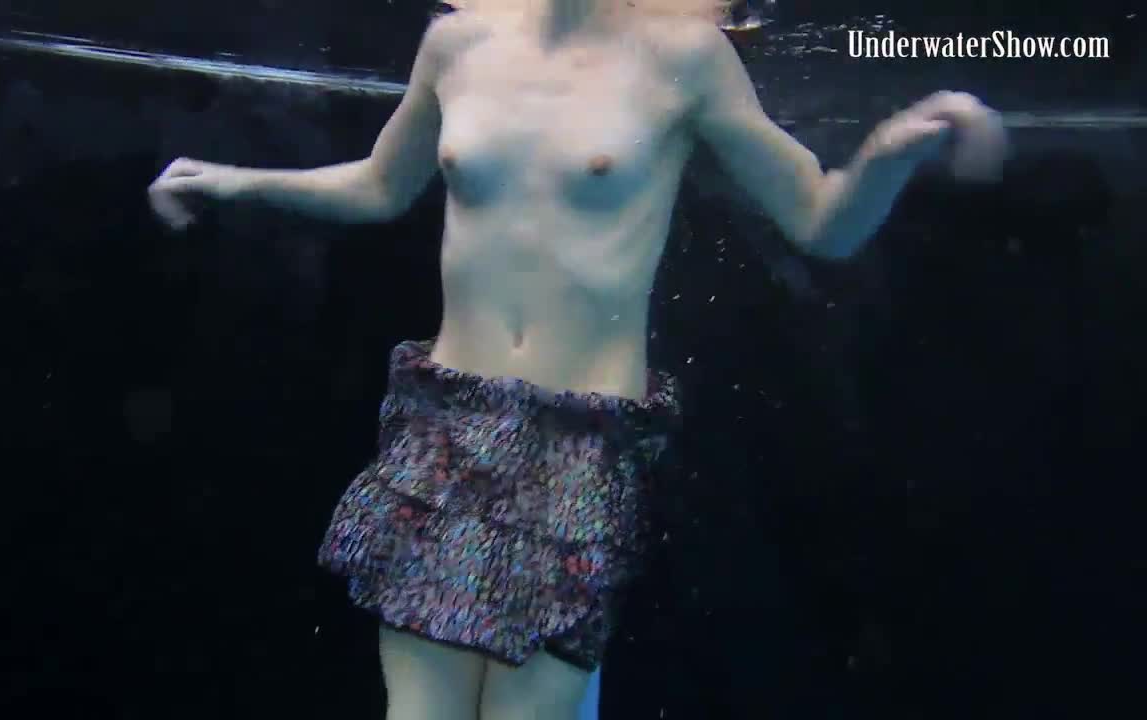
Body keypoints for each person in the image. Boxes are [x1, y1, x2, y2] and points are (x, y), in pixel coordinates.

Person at [146, 1, 1007, 718]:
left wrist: (894, 150)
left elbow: (823, 220)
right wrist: (231, 180)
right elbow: (380, 184)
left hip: (580, 449)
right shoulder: (458, 41)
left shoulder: (685, 56)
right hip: (441, 435)